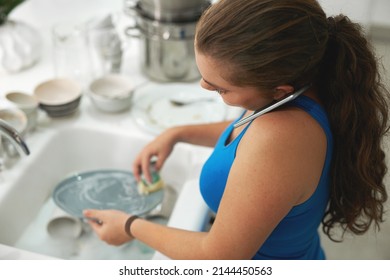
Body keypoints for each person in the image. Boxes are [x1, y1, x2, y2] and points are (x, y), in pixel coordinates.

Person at [83, 0, 390, 259]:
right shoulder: (298, 86)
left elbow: (218, 255)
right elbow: (243, 133)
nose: (203, 86)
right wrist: (178, 133)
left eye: (220, 89)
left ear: (280, 91)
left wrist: (128, 226)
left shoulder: (281, 138)